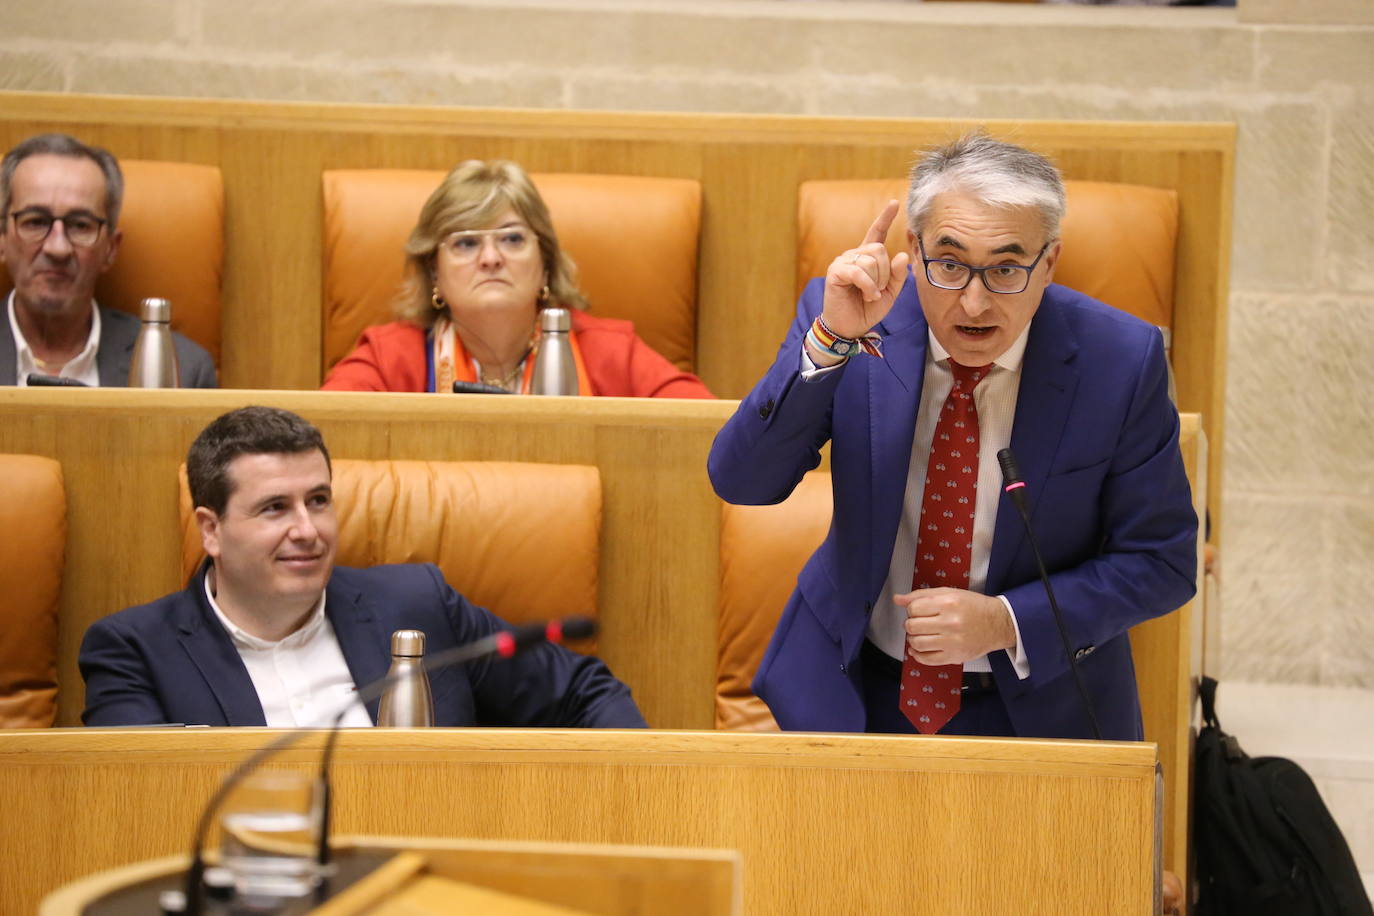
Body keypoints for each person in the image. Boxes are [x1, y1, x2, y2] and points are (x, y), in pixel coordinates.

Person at [708, 132, 1197, 741]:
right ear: (912, 251)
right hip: (853, 690)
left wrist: (1008, 622)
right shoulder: (857, 320)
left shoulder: (1120, 360)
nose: (973, 302)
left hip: (1039, 710)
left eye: (1006, 269)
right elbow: (741, 480)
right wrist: (831, 339)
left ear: (1048, 262)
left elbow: (1162, 561)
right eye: (950, 263)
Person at [79, 405, 646, 728]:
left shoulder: (419, 602)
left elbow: (586, 694)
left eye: (319, 500)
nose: (308, 530)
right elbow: (142, 803)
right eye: (275, 508)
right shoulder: (134, 651)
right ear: (212, 530)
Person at [322, 159, 712, 398]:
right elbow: (320, 436)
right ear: (434, 272)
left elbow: (708, 434)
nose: (491, 258)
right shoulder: (388, 358)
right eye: (466, 243)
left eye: (512, 239)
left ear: (544, 264)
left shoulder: (612, 353)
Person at [0, 133, 216, 388]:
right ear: (2, 239)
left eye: (80, 225)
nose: (57, 248)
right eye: (35, 221)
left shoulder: (184, 369)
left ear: (111, 249)